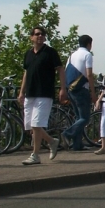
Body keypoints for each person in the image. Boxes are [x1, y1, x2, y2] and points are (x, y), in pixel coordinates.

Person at [18, 26, 67, 165]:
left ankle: (35, 155)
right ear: (31, 37)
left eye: (42, 34)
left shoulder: (50, 52)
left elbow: (60, 69)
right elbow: (26, 73)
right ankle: (52, 141)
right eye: (37, 34)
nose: (40, 36)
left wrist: (63, 88)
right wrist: (22, 92)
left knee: (36, 124)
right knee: (30, 126)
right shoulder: (28, 54)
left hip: (44, 93)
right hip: (30, 93)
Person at [62, 35, 97, 151]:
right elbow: (89, 74)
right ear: (89, 44)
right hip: (82, 89)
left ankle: (77, 145)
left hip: (71, 89)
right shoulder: (88, 55)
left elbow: (66, 72)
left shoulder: (72, 55)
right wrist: (93, 92)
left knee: (78, 117)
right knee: (85, 118)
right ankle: (67, 133)